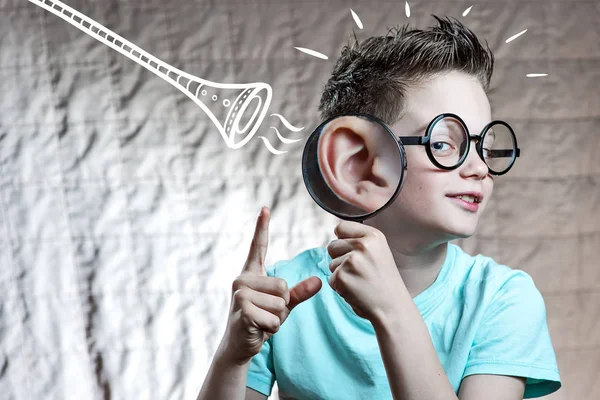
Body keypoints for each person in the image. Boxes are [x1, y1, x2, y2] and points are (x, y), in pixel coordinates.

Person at [197, 16, 561, 400]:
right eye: (443, 144)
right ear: (355, 162)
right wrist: (233, 356)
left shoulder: (503, 298)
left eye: (483, 147)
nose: (480, 168)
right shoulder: (283, 295)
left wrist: (392, 310)